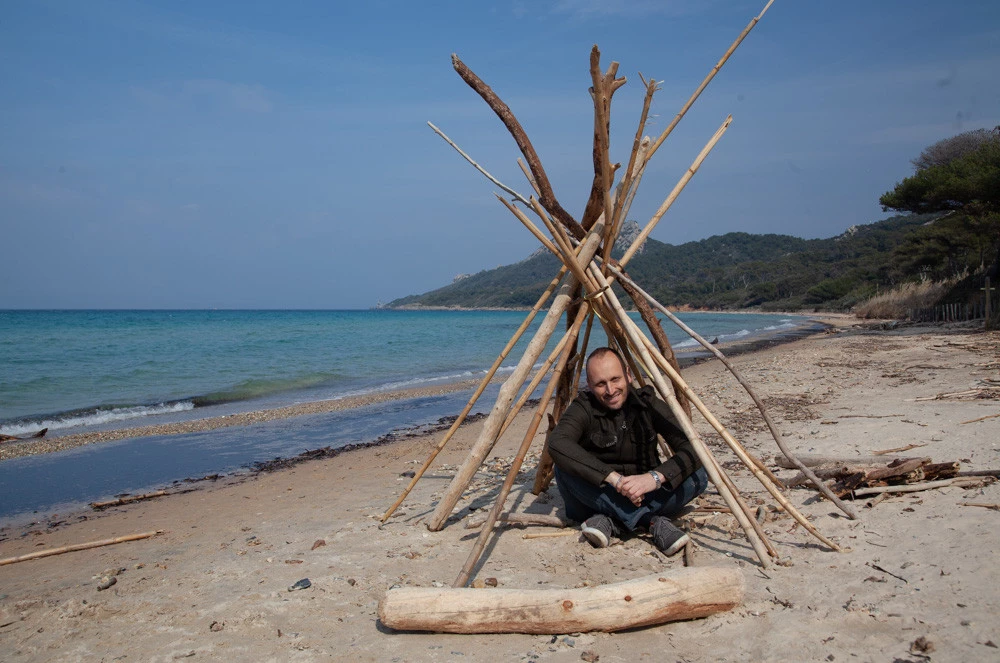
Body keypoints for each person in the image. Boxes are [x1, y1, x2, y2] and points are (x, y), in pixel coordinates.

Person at [547, 347, 708, 555]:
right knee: (563, 468)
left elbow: (693, 447)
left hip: (647, 492)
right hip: (599, 494)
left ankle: (612, 522)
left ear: (628, 376)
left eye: (615, 379)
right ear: (590, 385)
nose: (610, 390)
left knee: (699, 476)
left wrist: (653, 479)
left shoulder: (646, 403)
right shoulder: (584, 407)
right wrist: (615, 480)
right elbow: (558, 442)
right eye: (600, 384)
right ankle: (650, 521)